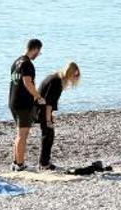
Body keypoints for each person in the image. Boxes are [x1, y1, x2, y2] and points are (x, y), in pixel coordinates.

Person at [9, 39, 46, 171]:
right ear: (35, 49)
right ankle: (20, 164)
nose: (38, 55)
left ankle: (15, 161)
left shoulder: (16, 62)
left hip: (13, 101)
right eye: (39, 52)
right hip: (22, 103)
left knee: (19, 133)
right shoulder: (27, 64)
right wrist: (38, 96)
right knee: (22, 134)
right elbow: (27, 82)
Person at [36, 62, 81, 171]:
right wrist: (48, 119)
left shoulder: (56, 77)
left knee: (49, 134)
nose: (75, 78)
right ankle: (44, 164)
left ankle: (44, 162)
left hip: (41, 107)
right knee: (48, 134)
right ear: (70, 73)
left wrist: (50, 115)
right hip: (40, 108)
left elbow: (49, 102)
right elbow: (49, 102)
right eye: (75, 75)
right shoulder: (57, 82)